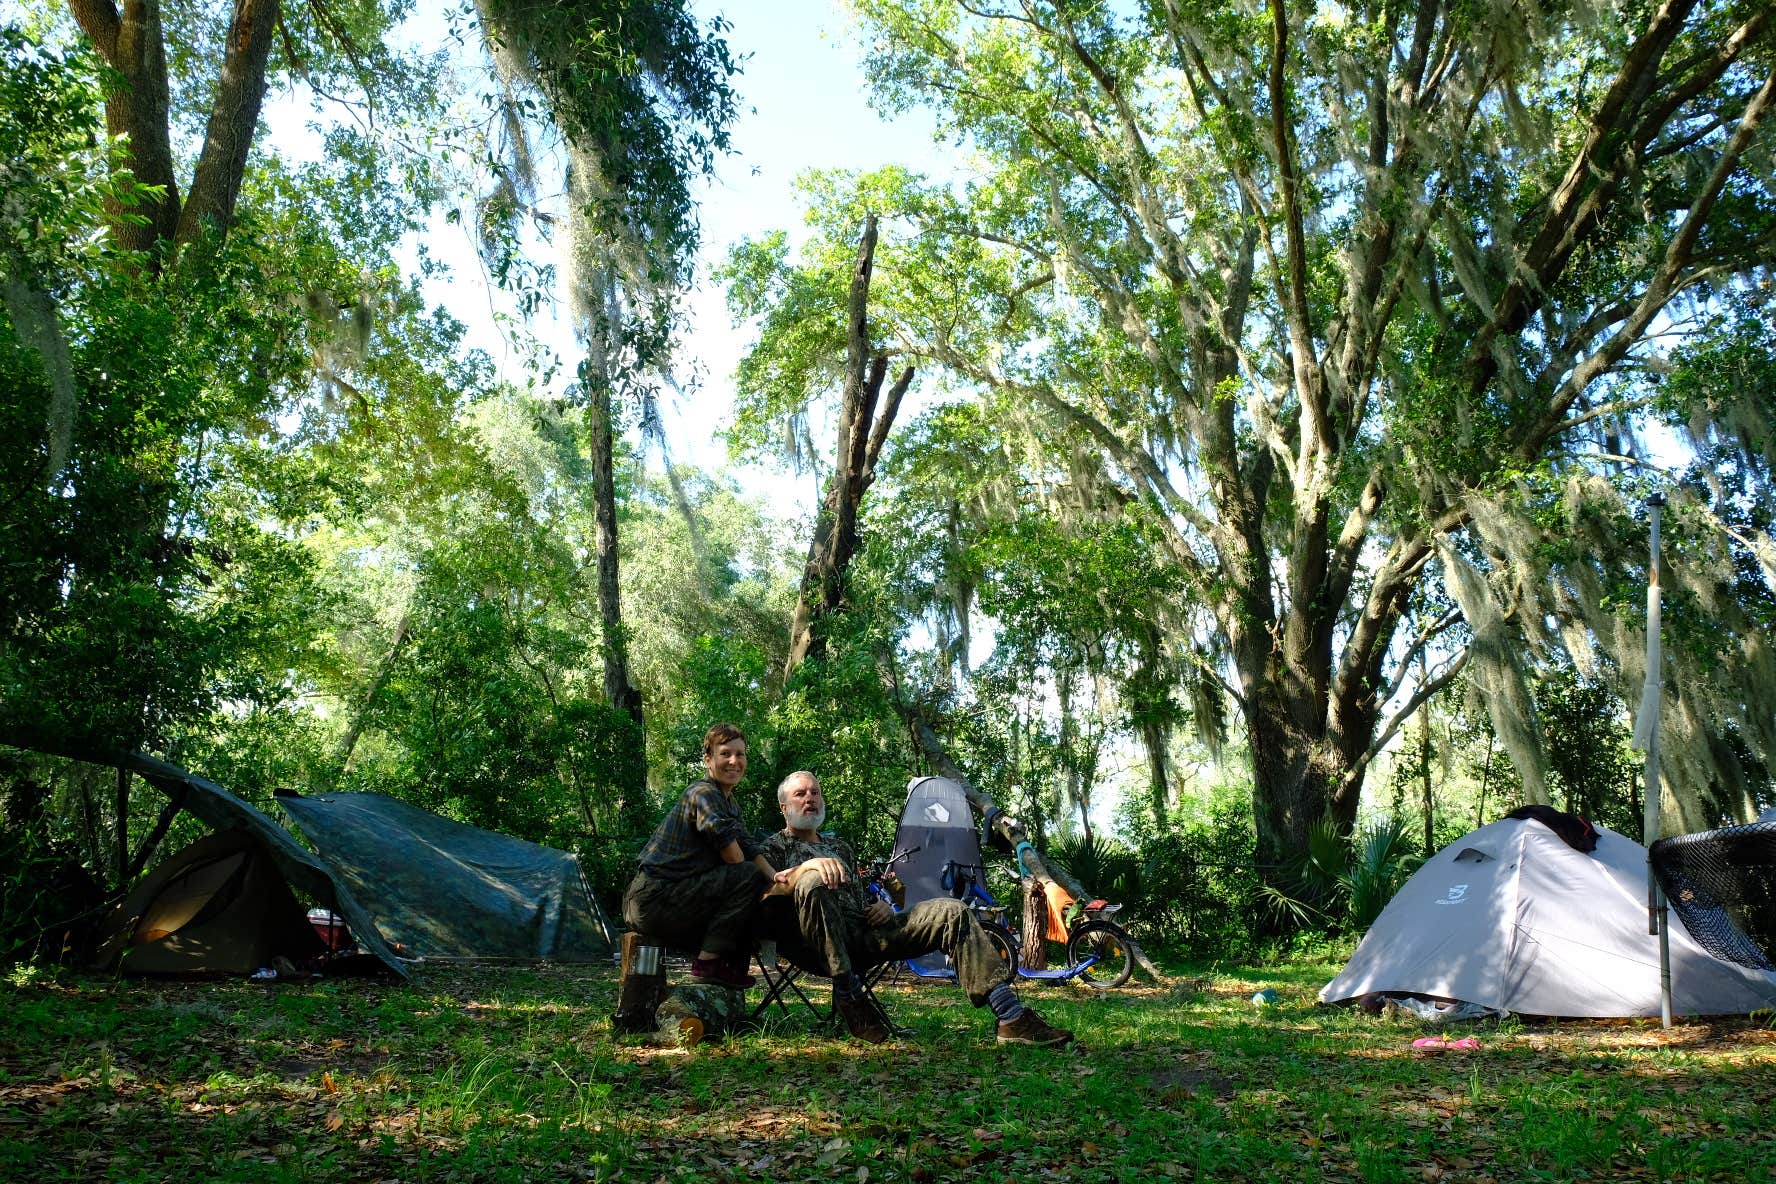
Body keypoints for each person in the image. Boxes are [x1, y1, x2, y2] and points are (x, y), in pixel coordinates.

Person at [757, 770, 1074, 1047]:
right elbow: (765, 896)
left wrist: (879, 904)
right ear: (784, 807)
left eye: (815, 792)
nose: (810, 798)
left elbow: (861, 896)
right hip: (817, 945)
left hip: (866, 936)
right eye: (801, 794)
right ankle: (849, 994)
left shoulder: (840, 847)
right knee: (814, 880)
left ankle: (1011, 1017)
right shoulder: (774, 848)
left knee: (952, 911)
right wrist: (806, 871)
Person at [622, 723, 782, 988]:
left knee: (753, 890)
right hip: (653, 898)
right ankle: (707, 964)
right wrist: (758, 878)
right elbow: (736, 860)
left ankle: (724, 1002)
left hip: (677, 896)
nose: (734, 761)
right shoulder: (704, 793)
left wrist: (776, 877)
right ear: (708, 760)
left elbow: (749, 848)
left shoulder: (730, 803)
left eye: (740, 754)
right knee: (747, 878)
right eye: (725, 754)